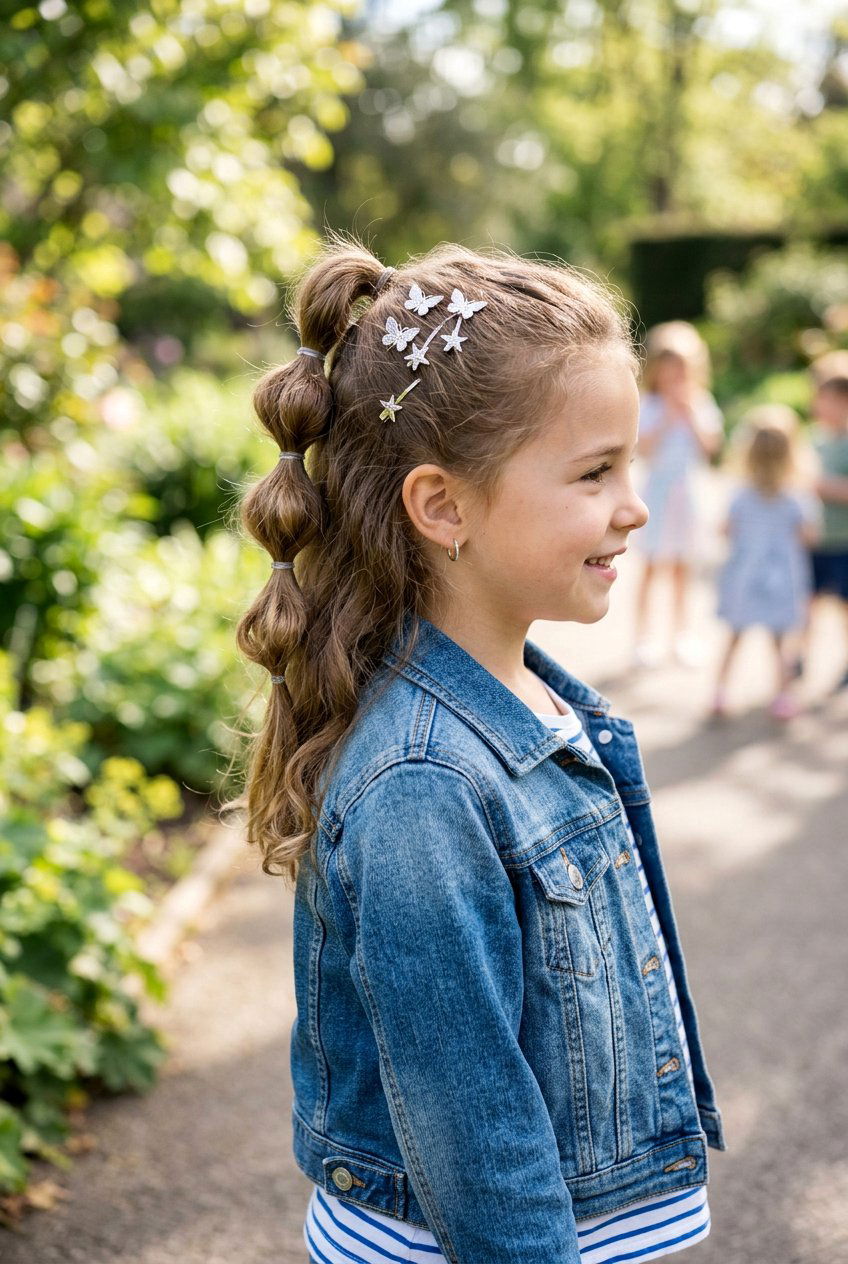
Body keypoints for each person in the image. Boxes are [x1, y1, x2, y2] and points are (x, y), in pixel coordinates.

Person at [234, 238, 725, 1264]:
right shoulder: (423, 780)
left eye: (626, 465)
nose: (632, 506)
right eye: (593, 472)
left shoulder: (536, 696)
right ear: (441, 506)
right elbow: (472, 1132)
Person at [710, 405, 819, 720]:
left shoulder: (741, 495)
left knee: (734, 636)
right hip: (781, 579)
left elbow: (724, 530)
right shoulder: (797, 496)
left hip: (745, 575)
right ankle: (783, 695)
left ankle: (720, 691)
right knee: (780, 642)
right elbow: (810, 536)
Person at [632, 323, 724, 668]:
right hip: (657, 493)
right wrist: (669, 417)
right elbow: (644, 450)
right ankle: (643, 638)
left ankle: (682, 635)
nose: (676, 375)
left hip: (688, 496)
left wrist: (690, 416)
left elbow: (711, 449)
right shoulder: (649, 404)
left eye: (682, 368)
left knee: (683, 567)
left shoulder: (701, 402)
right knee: (652, 565)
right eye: (669, 367)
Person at [804, 372, 848, 691]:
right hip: (814, 539)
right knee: (808, 602)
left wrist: (824, 487)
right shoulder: (814, 440)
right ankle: (799, 657)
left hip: (843, 541)